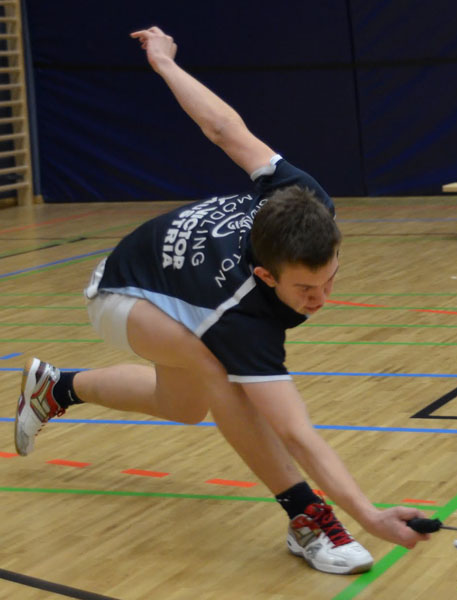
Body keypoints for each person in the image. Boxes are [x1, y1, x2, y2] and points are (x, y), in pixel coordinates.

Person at [15, 26, 429, 575]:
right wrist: (369, 515)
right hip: (122, 290)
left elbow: (222, 127)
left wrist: (165, 63)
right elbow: (295, 432)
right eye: (305, 291)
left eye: (330, 280)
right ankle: (306, 518)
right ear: (265, 275)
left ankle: (57, 387)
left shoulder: (303, 197)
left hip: (174, 276)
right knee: (217, 372)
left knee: (183, 408)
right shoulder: (240, 314)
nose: (322, 300)